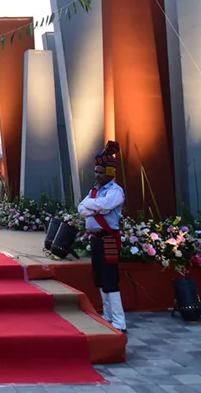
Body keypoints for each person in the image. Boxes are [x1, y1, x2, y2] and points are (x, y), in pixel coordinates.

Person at [78, 140, 127, 334]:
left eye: (100, 172)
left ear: (110, 173)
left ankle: (119, 321)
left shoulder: (116, 191)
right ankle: (107, 316)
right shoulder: (94, 191)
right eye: (96, 171)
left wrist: (93, 205)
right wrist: (95, 206)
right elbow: (81, 209)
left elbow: (105, 206)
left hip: (108, 240)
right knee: (99, 277)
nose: (97, 175)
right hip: (96, 240)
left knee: (110, 278)